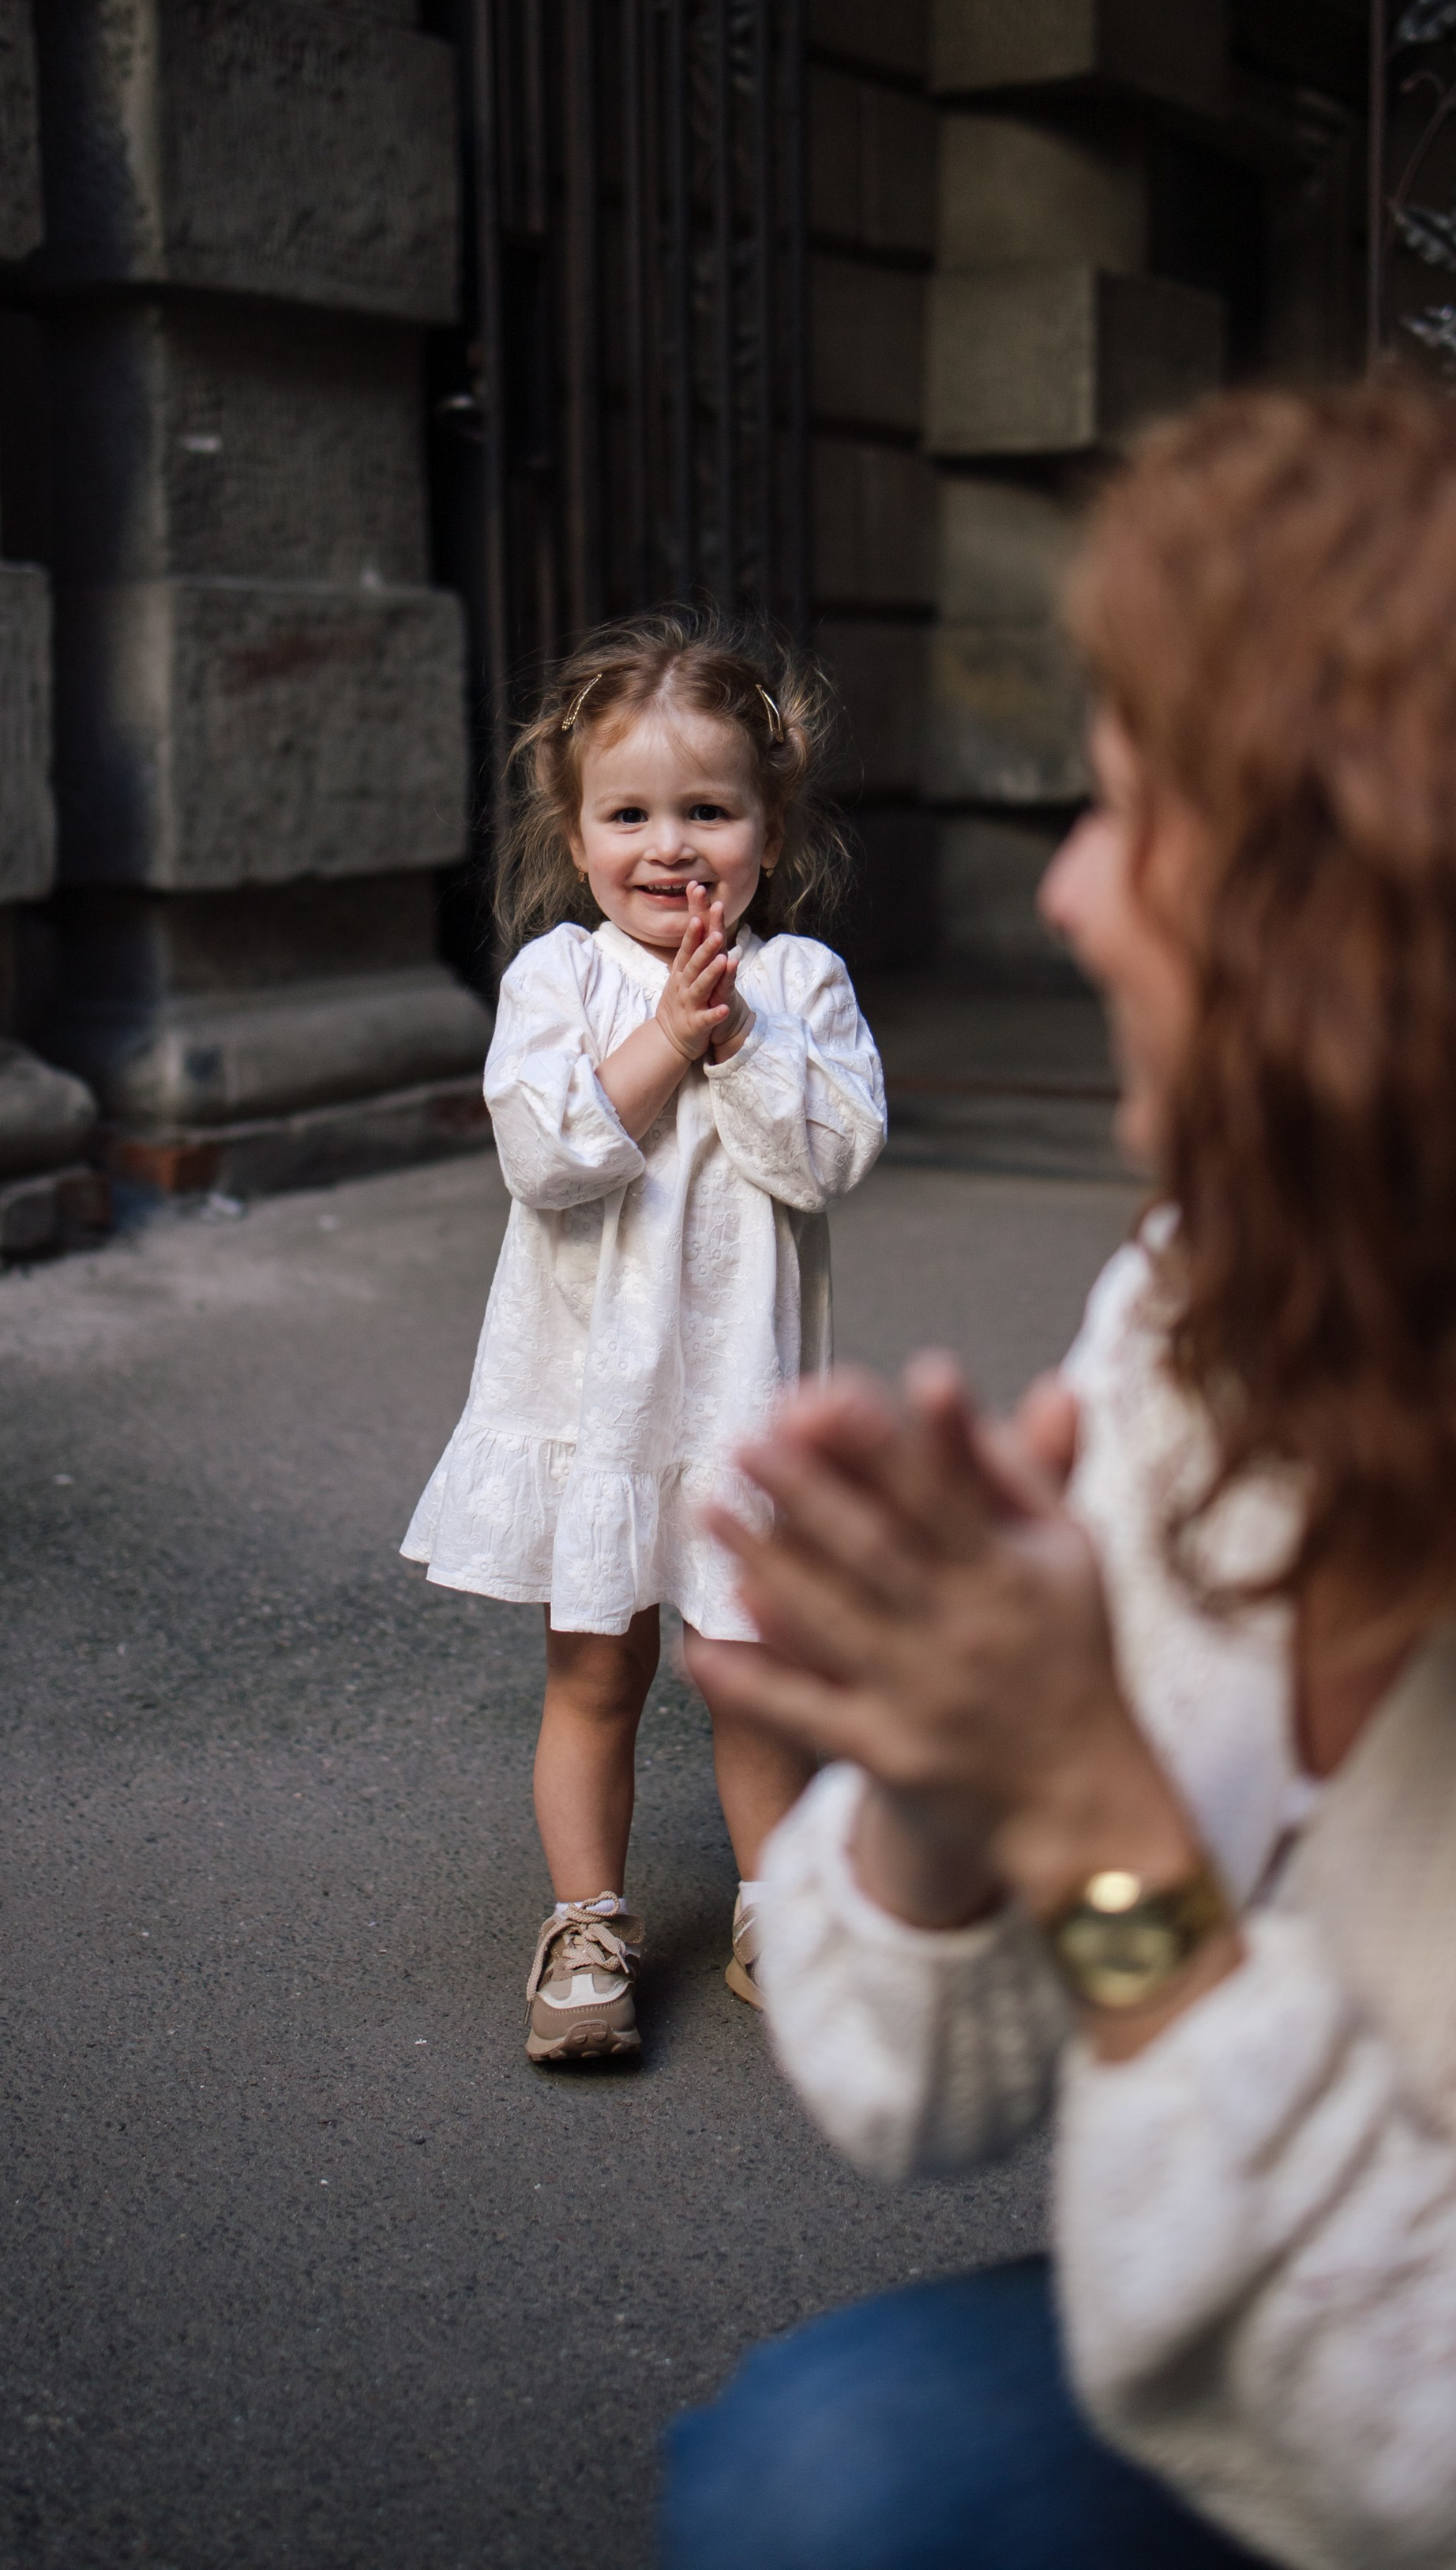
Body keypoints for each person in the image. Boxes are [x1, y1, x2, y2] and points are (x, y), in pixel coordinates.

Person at [670, 367, 1456, 2568]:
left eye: (1134, 813)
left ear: (1396, 930)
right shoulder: (1206, 1313)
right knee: (826, 2471)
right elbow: (899, 2084)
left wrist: (1097, 1815)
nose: (1067, 899)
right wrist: (958, 1766)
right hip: (1279, 2250)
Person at [402, 614, 886, 2065]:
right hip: (596, 1406)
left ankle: (776, 1909)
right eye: (631, 814)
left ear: (770, 825)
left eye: (709, 811)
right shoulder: (558, 981)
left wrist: (736, 1039)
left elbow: (825, 1161)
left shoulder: (799, 990)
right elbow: (550, 1159)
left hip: (740, 1408)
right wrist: (668, 1036)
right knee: (596, 1667)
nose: (670, 847)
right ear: (576, 827)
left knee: (746, 1671)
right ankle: (587, 1923)